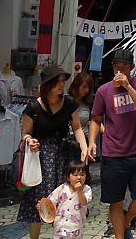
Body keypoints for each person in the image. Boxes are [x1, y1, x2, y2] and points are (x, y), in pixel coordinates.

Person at [88, 50, 136, 239]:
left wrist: (128, 87)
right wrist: (92, 142)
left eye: (124, 68)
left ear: (132, 68)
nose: (119, 71)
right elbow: (95, 118)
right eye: (117, 67)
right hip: (112, 153)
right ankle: (120, 235)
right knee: (115, 201)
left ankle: (125, 222)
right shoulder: (103, 91)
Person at [20, 66, 89, 239]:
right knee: (38, 200)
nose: (61, 85)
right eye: (56, 82)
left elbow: (77, 127)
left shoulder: (69, 103)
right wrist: (30, 140)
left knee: (65, 198)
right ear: (47, 84)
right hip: (41, 158)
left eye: (62, 81)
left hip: (63, 155)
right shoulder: (34, 106)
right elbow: (25, 133)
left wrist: (84, 147)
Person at [40, 160, 93, 239]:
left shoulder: (86, 189)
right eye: (75, 175)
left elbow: (84, 202)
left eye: (82, 174)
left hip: (75, 227)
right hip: (60, 226)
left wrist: (79, 191)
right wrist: (42, 207)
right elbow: (51, 201)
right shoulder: (62, 188)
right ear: (68, 177)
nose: (79, 177)